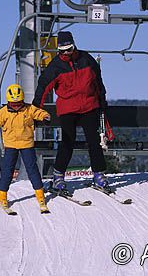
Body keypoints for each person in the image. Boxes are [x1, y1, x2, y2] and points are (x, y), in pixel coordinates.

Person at [32, 31, 109, 192]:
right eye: (63, 50)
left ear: (74, 46)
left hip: (89, 106)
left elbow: (98, 82)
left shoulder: (86, 59)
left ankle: (98, 173)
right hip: (68, 108)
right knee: (68, 141)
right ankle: (58, 175)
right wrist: (35, 111)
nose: (67, 53)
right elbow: (42, 88)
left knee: (94, 141)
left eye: (69, 49)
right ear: (59, 50)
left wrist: (102, 101)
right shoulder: (56, 66)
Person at [0, 84, 51, 213]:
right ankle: (2, 197)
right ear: (8, 102)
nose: (16, 106)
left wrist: (45, 117)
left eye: (18, 103)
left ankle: (40, 196)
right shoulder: (4, 112)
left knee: (33, 170)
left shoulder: (28, 109)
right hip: (11, 146)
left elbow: (39, 112)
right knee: (7, 171)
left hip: (26, 145)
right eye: (13, 104)